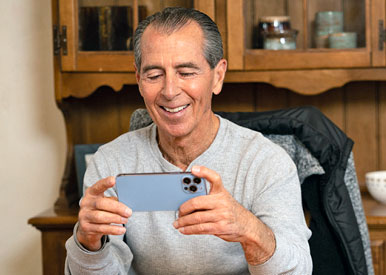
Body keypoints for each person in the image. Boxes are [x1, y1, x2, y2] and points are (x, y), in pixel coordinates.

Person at [65, 7, 312, 274]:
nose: (170, 91)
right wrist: (88, 243)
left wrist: (247, 228)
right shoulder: (110, 163)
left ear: (218, 76)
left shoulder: (266, 161)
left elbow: (298, 270)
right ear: (139, 80)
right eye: (154, 75)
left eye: (186, 72)